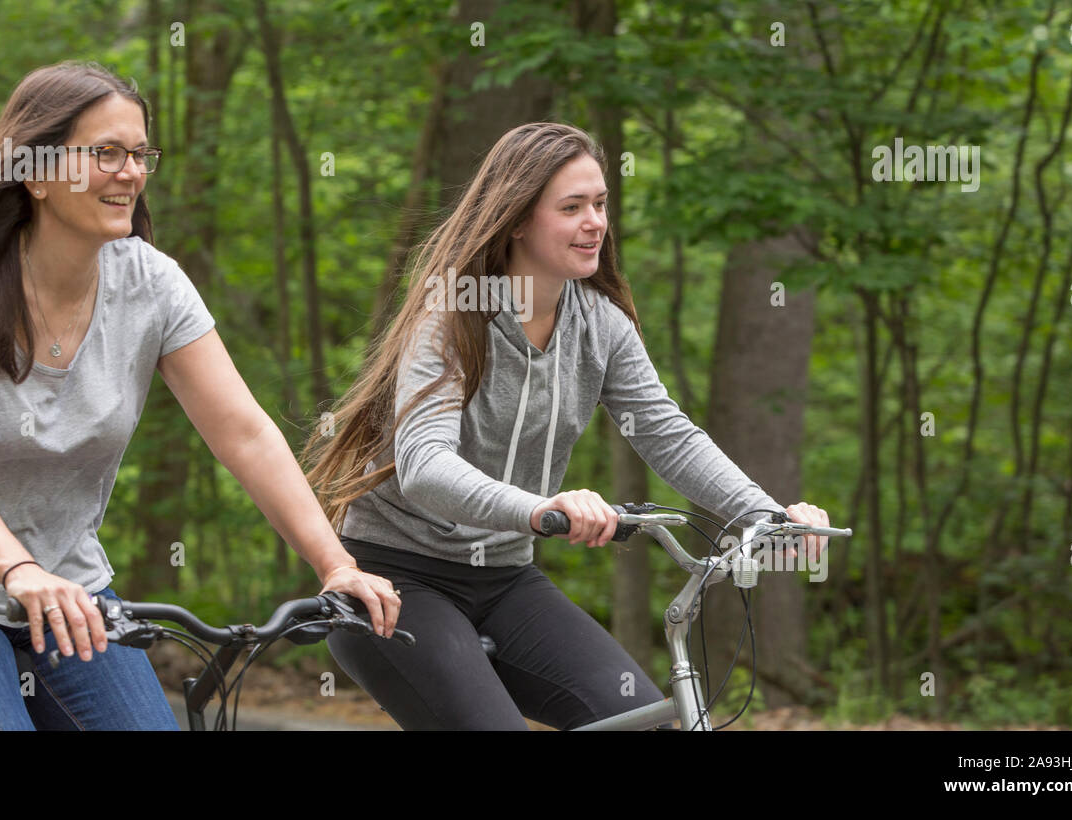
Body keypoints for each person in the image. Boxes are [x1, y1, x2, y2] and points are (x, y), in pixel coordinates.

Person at [0, 61, 400, 730]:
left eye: (139, 154)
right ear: (37, 172)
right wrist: (19, 571)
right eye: (105, 152)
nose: (130, 172)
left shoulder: (152, 285)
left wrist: (335, 565)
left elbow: (243, 434)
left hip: (67, 585)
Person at [303, 122, 831, 730]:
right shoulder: (452, 313)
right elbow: (425, 466)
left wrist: (764, 515)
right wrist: (539, 507)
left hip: (504, 579)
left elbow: (667, 433)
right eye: (572, 207)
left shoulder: (600, 323)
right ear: (519, 219)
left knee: (645, 720)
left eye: (601, 204)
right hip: (393, 578)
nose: (596, 222)